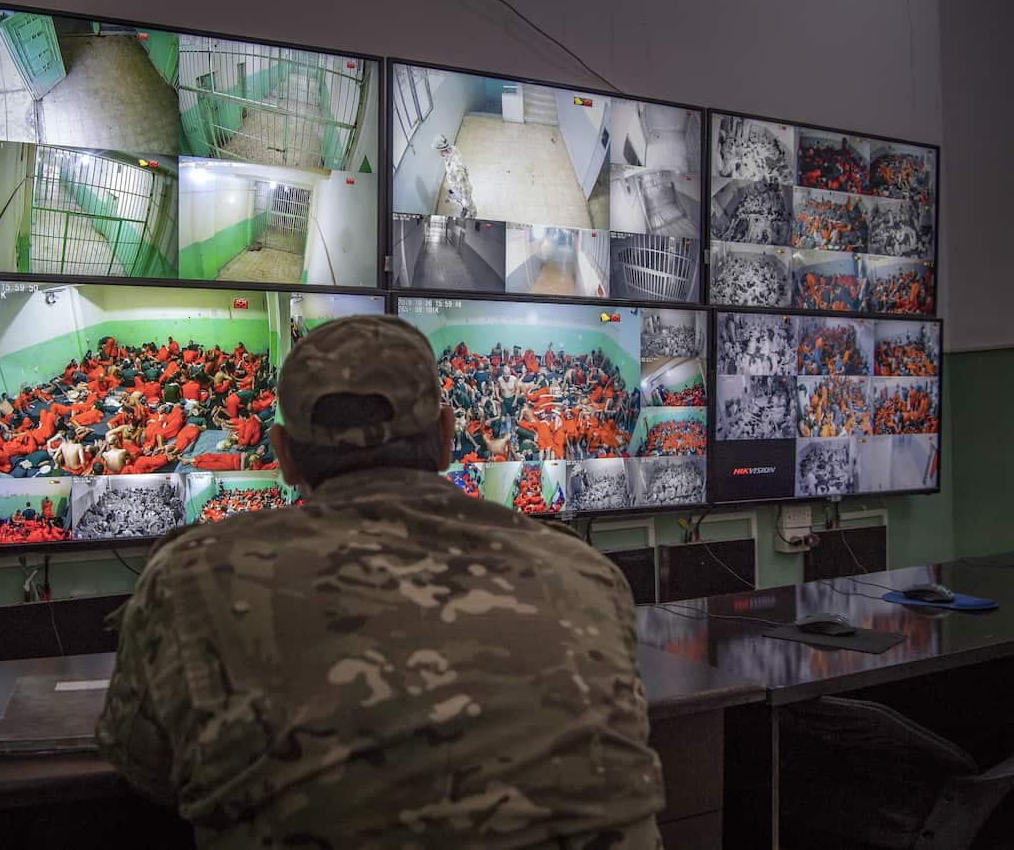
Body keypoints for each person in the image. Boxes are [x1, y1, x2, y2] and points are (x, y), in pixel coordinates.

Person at [98, 315, 664, 849]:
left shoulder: (191, 583)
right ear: (446, 437)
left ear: (284, 456)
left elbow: (144, 771)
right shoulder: (588, 575)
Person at [432, 133, 476, 218]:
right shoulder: (451, 150)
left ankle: (472, 214)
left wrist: (466, 200)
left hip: (462, 190)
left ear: (441, 150)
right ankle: (465, 207)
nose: (438, 152)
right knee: (461, 201)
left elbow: (465, 185)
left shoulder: (455, 167)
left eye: (438, 150)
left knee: (469, 205)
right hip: (457, 186)